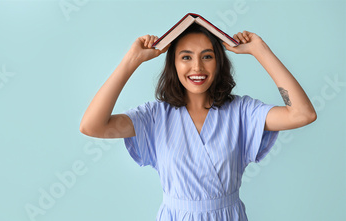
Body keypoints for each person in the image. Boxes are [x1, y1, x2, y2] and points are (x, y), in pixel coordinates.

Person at [79, 23, 316, 221]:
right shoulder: (154, 117)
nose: (197, 67)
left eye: (207, 56)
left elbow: (302, 114)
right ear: (174, 64)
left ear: (219, 62)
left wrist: (260, 51)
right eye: (186, 57)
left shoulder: (242, 112)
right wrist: (132, 60)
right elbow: (92, 126)